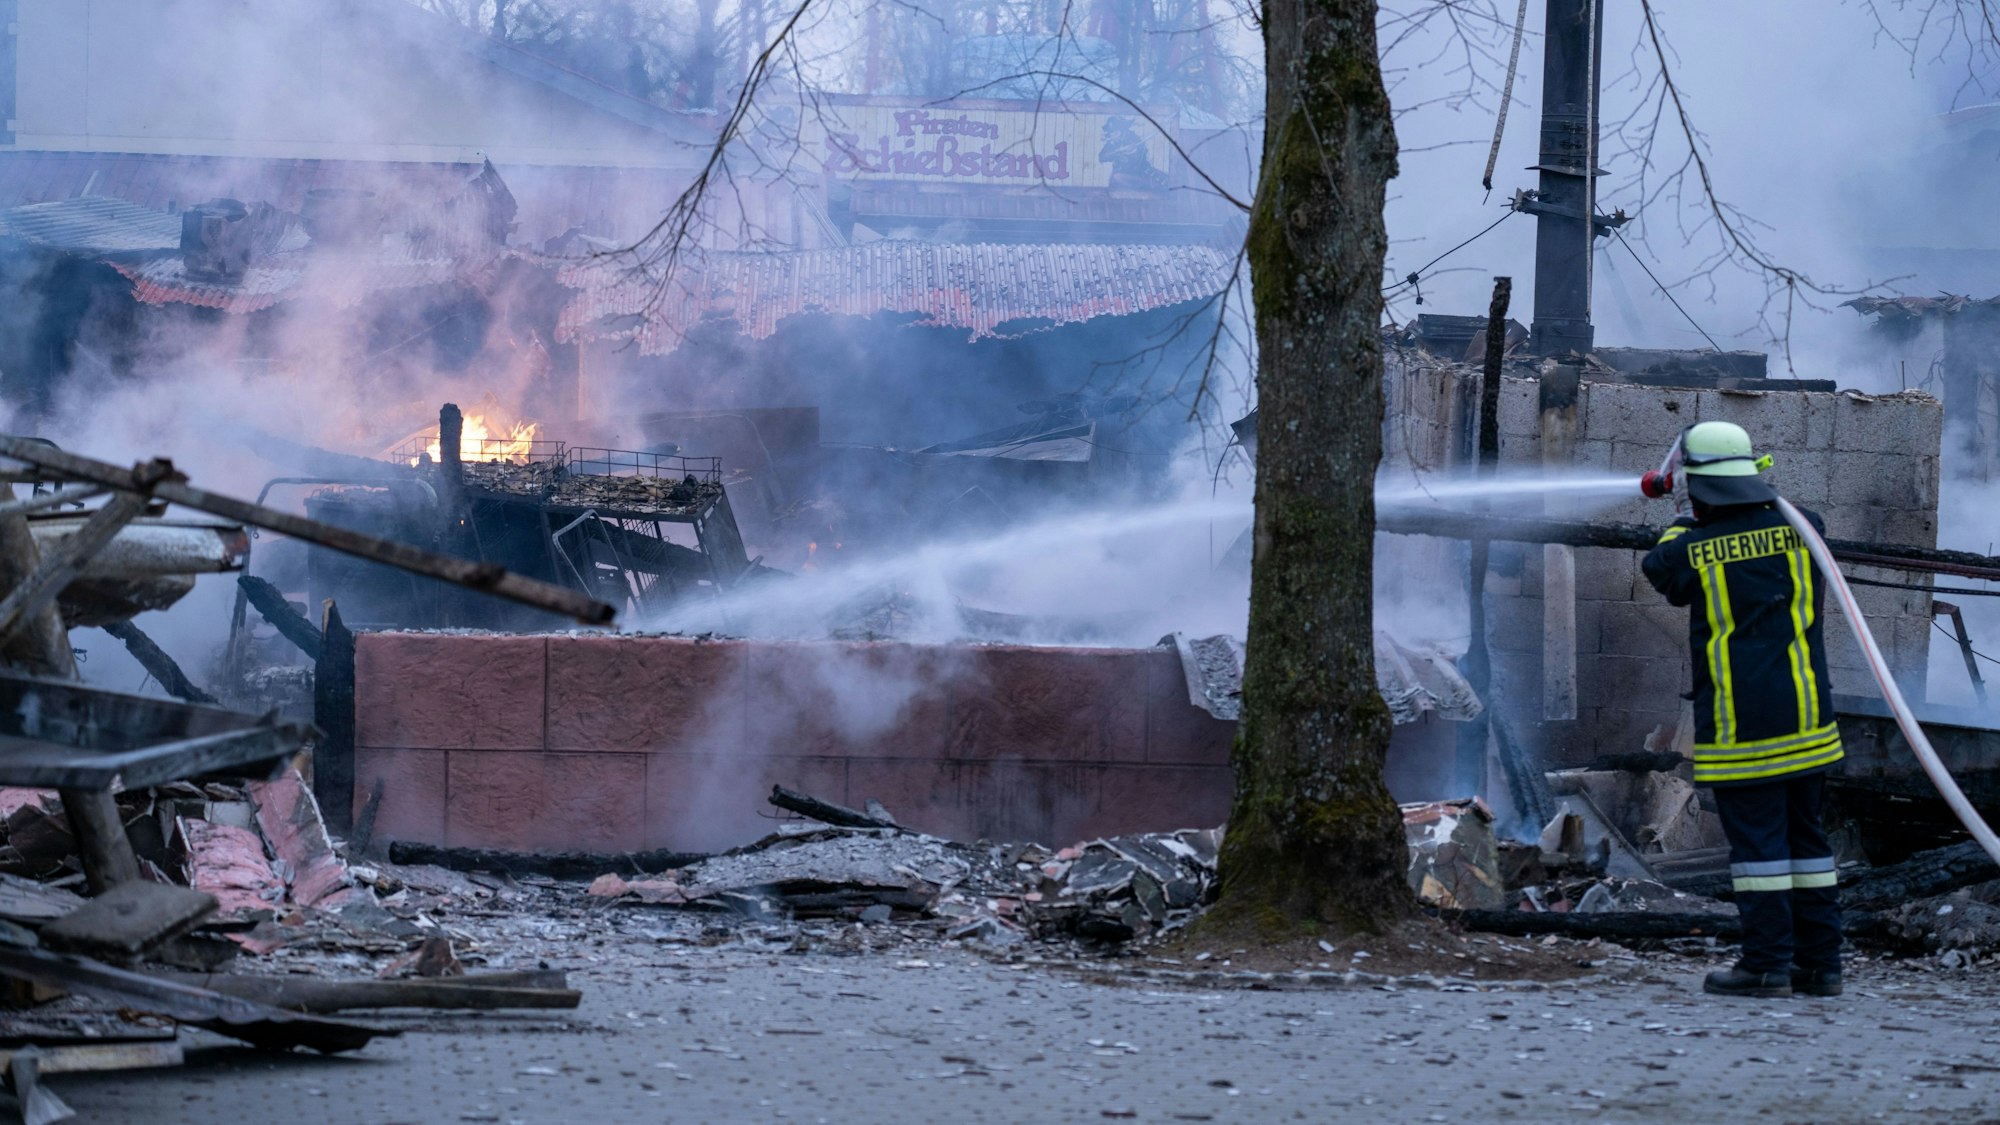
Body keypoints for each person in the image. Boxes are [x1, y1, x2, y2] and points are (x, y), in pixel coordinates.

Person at [1640, 421, 1843, 999]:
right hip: (1809, 721)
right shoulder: (1808, 527)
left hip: (1742, 726)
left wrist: (1681, 509)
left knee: (1759, 853)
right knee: (1808, 847)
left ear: (1698, 487)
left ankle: (1764, 966)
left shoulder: (1689, 549)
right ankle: (1819, 966)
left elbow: (1662, 569)